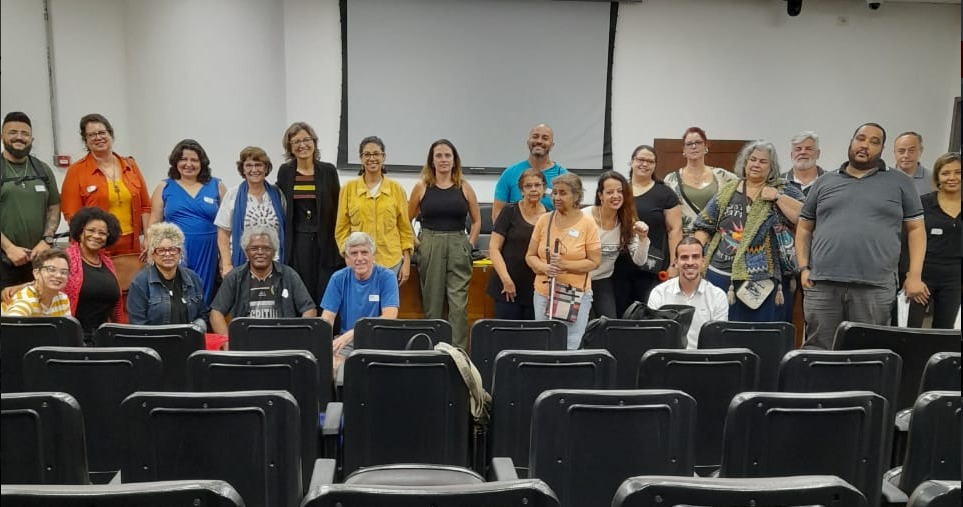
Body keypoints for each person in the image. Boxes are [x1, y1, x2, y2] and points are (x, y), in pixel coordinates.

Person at [796, 123, 926, 350]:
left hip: (875, 287)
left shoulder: (900, 182)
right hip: (823, 284)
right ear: (852, 141)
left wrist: (914, 275)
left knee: (867, 352)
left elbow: (916, 230)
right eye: (861, 138)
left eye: (874, 142)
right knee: (818, 351)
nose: (865, 145)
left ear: (882, 149)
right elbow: (804, 227)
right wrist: (804, 267)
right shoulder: (825, 182)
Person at [694, 140, 804, 322]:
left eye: (763, 161)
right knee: (720, 330)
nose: (756, 165)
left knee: (757, 334)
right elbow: (703, 224)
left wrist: (777, 197)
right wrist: (697, 254)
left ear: (771, 167)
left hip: (760, 278)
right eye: (752, 159)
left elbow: (804, 216)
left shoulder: (782, 188)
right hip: (719, 273)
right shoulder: (728, 189)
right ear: (745, 163)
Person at [407, 139, 481, 348]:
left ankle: (457, 354)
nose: (443, 160)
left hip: (458, 244)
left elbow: (476, 221)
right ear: (432, 160)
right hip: (430, 244)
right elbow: (406, 219)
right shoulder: (422, 186)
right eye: (438, 155)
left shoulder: (464, 186)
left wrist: (470, 244)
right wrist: (418, 244)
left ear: (454, 160)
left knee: (458, 306)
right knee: (433, 304)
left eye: (447, 155)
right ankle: (433, 352)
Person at [526, 173, 601, 349]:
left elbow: (594, 262)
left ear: (576, 196)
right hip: (544, 292)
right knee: (544, 343)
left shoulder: (588, 224)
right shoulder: (544, 220)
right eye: (554, 193)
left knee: (570, 345)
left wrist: (564, 265)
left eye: (563, 193)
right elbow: (530, 256)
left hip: (574, 294)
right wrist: (545, 267)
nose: (556, 197)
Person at [61, 113, 150, 257]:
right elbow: (73, 216)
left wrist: (147, 237)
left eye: (102, 132)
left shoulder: (131, 165)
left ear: (110, 134)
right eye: (91, 135)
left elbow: (146, 207)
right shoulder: (76, 170)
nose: (98, 137)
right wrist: (91, 242)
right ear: (85, 140)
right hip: (96, 246)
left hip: (132, 245)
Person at [148, 139, 225, 303]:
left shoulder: (216, 185)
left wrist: (225, 258)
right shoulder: (164, 186)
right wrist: (150, 247)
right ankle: (178, 326)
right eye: (183, 159)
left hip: (207, 249)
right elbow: (154, 221)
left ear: (202, 163)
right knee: (177, 291)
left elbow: (227, 224)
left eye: (194, 160)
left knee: (203, 293)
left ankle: (200, 326)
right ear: (175, 161)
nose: (188, 164)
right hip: (174, 249)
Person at [276, 122, 342, 303]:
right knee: (301, 289)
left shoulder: (328, 171)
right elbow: (282, 207)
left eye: (306, 139)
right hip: (298, 241)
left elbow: (337, 206)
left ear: (314, 142)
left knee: (325, 289)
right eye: (296, 141)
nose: (302, 145)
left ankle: (326, 328)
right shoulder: (285, 172)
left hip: (326, 241)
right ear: (290, 147)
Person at [209, 226, 316, 337]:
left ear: (274, 252)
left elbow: (310, 310)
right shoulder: (235, 277)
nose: (260, 252)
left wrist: (299, 338)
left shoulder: (289, 274)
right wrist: (228, 343)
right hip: (245, 342)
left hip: (282, 342)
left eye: (266, 248)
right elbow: (215, 313)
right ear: (246, 252)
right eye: (254, 248)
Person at [614, 144, 683, 316]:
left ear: (655, 165)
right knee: (620, 315)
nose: (644, 164)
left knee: (649, 315)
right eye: (640, 160)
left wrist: (674, 264)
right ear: (632, 162)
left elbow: (675, 230)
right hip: (620, 266)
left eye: (650, 161)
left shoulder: (665, 194)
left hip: (652, 269)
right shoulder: (619, 191)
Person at [335, 136, 414, 285]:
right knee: (362, 306)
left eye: (376, 154)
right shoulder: (348, 189)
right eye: (367, 154)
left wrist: (407, 262)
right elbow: (341, 229)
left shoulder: (396, 189)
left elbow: (405, 229)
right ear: (361, 158)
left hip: (391, 262)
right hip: (359, 263)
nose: (372, 158)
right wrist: (349, 257)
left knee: (387, 306)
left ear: (383, 157)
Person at [321, 232, 400, 375]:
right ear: (346, 258)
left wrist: (353, 332)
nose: (359, 258)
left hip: (379, 340)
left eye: (364, 252)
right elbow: (327, 319)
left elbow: (390, 316)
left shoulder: (387, 277)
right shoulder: (338, 279)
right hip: (347, 343)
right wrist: (327, 349)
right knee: (331, 366)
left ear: (373, 255)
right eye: (353, 253)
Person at [0, 112, 61, 289]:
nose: (19, 137)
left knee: (38, 312)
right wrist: (9, 248)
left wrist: (46, 241)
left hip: (38, 260)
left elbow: (54, 207)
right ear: (2, 136)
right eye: (13, 132)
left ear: (31, 139)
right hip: (4, 260)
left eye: (25, 133)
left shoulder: (42, 169)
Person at [582, 171, 651, 318]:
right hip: (578, 280)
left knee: (608, 324)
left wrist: (643, 238)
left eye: (620, 191)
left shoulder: (627, 221)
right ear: (600, 195)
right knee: (582, 327)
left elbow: (640, 260)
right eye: (610, 192)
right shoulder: (584, 217)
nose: (616, 196)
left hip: (602, 280)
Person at [907, 152, 960, 329]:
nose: (952, 177)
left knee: (945, 332)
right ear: (937, 176)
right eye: (946, 173)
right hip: (921, 275)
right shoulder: (922, 204)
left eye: (958, 172)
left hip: (954, 280)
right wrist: (910, 277)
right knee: (910, 329)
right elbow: (906, 242)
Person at [215, 146, 286, 276]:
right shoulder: (233, 194)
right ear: (243, 169)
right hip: (242, 265)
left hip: (274, 264)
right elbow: (223, 233)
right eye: (249, 165)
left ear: (266, 168)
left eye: (258, 165)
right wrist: (226, 264)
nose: (254, 169)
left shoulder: (277, 194)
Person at [647, 236, 729, 349]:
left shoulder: (718, 296)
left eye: (695, 257)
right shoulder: (659, 293)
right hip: (669, 361)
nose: (690, 262)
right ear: (675, 262)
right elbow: (654, 337)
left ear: (703, 261)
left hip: (705, 361)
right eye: (684, 257)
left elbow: (718, 341)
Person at [487, 168, 546, 320]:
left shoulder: (549, 215)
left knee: (532, 339)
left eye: (537, 185)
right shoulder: (509, 211)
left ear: (544, 188)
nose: (533, 189)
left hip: (536, 288)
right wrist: (506, 280)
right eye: (528, 186)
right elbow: (494, 248)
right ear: (521, 190)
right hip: (508, 286)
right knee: (507, 337)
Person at [127, 222, 207, 331]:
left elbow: (203, 315)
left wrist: (197, 329)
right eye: (161, 250)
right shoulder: (140, 282)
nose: (168, 254)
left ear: (180, 252)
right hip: (154, 344)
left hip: (188, 342)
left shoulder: (193, 278)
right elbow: (137, 324)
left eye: (173, 249)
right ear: (152, 254)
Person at [66, 207, 125, 341]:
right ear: (80, 232)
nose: (96, 236)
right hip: (73, 338)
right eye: (91, 230)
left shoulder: (108, 263)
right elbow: (47, 282)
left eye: (102, 233)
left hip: (104, 338)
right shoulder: (66, 259)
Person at [663, 127, 737, 232]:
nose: (694, 146)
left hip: (715, 241)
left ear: (705, 146)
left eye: (698, 142)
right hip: (685, 242)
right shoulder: (671, 180)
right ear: (683, 149)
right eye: (689, 144)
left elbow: (747, 186)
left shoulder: (722, 175)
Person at [491, 123, 568, 222]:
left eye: (545, 138)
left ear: (552, 145)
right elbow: (497, 214)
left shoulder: (564, 177)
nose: (539, 141)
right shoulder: (509, 174)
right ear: (528, 142)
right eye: (535, 137)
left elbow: (570, 215)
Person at [1, 248, 71, 317]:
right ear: (36, 273)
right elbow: (11, 325)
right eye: (51, 269)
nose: (58, 275)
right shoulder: (26, 299)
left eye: (63, 272)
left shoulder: (62, 299)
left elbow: (66, 328)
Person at [781, 131, 825, 198]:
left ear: (818, 154)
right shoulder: (779, 183)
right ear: (791, 155)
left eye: (808, 149)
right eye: (798, 149)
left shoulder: (831, 181)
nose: (803, 152)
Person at [893, 132, 931, 196]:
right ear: (894, 152)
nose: (906, 155)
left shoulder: (932, 179)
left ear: (920, 151)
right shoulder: (883, 176)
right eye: (901, 151)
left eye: (911, 151)